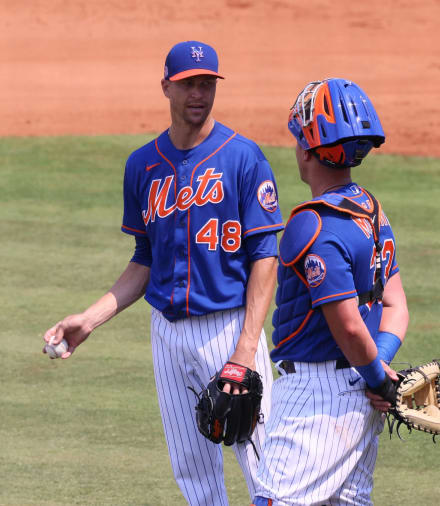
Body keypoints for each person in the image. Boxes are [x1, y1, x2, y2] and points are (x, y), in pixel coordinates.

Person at [43, 40, 284, 506]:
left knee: (267, 467)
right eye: (188, 84)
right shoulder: (143, 165)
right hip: (167, 334)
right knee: (193, 476)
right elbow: (144, 259)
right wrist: (87, 320)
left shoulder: (243, 157)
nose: (199, 93)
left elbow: (265, 255)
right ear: (166, 88)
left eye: (207, 83)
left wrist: (245, 350)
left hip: (230, 327)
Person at [252, 79, 409, 506]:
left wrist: (378, 377)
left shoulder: (312, 225)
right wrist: (379, 373)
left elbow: (350, 329)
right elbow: (396, 306)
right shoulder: (371, 210)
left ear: (306, 148)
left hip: (316, 401)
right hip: (360, 388)